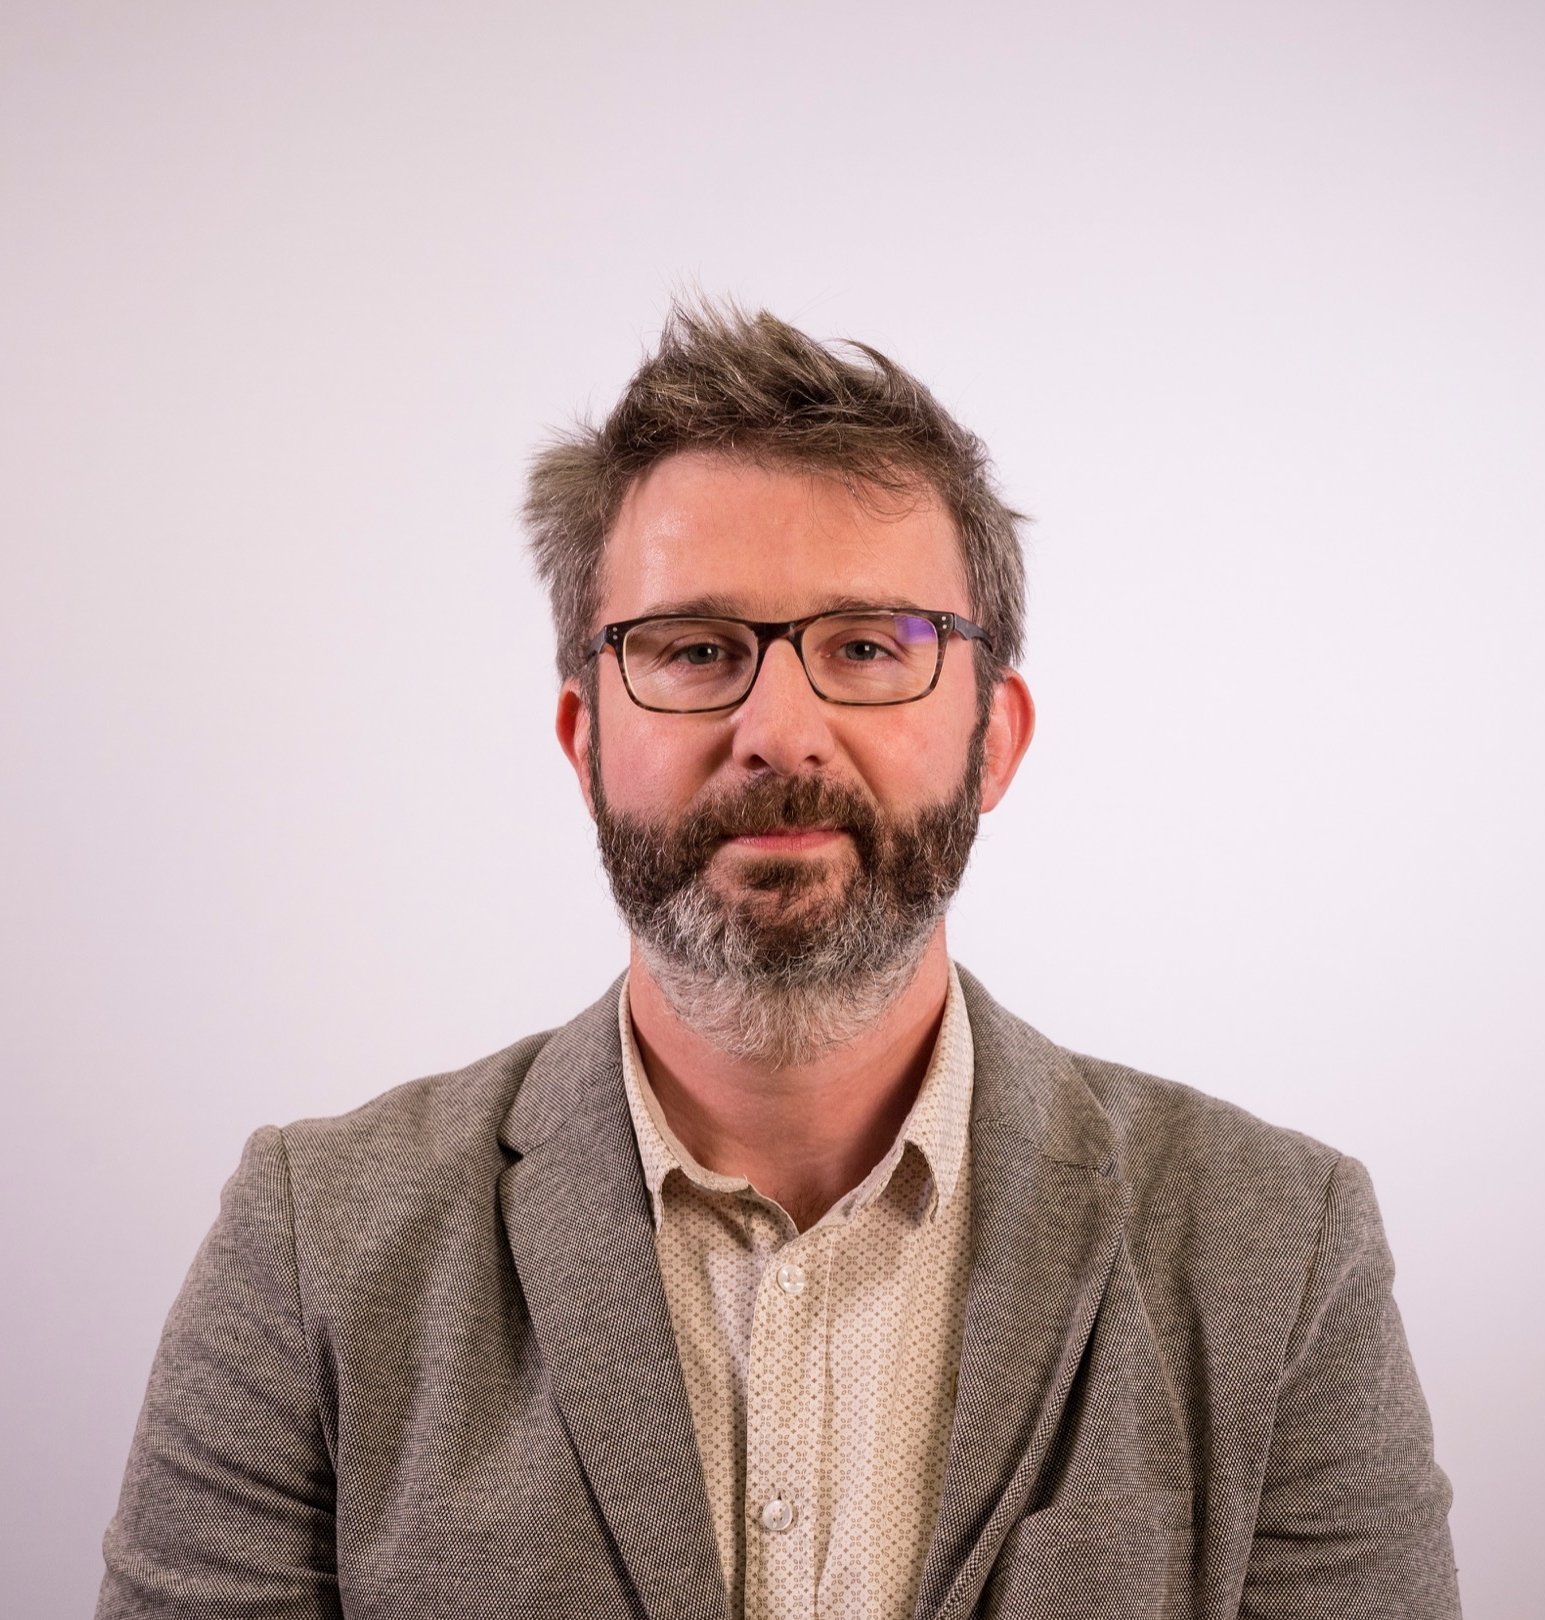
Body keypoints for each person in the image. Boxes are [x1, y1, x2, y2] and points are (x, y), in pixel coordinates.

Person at [97, 303, 1462, 1619]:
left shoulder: (1278, 1253)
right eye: (695, 650)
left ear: (994, 738)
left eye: (869, 647)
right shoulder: (313, 1249)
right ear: (585, 741)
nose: (780, 731)